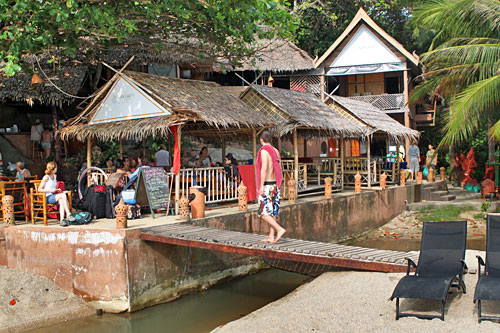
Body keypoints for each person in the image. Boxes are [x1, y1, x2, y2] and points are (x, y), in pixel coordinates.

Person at [256, 130, 286, 244]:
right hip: (275, 185)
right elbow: (279, 168)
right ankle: (271, 236)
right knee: (272, 212)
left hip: (267, 184)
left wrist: (260, 186)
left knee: (263, 213)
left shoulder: (263, 151)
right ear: (271, 140)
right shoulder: (276, 151)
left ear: (261, 140)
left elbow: (264, 169)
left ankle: (279, 229)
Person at [38, 161, 74, 226]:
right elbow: (39, 189)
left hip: (53, 195)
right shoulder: (46, 177)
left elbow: (54, 187)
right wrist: (50, 190)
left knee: (61, 200)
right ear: (53, 168)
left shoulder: (55, 176)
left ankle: (62, 219)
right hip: (47, 196)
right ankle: (68, 214)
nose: (57, 169)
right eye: (56, 167)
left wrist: (57, 190)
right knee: (63, 196)